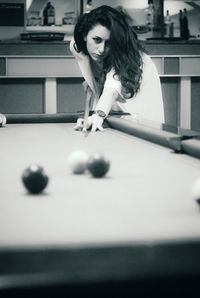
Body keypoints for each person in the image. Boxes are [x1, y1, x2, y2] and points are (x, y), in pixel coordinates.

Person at [70, 5, 164, 132]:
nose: (102, 49)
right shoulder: (77, 48)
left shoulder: (128, 56)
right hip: (113, 116)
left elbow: (112, 88)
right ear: (85, 35)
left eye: (109, 43)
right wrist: (93, 82)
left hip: (143, 120)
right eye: (97, 40)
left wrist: (98, 114)